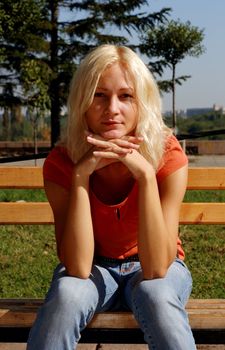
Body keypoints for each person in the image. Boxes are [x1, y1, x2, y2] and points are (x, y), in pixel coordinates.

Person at [27, 44, 196, 350]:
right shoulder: (62, 162)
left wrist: (145, 176)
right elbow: (78, 267)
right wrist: (81, 176)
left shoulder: (167, 154)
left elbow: (157, 268)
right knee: (68, 294)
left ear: (142, 101)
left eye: (126, 96)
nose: (112, 109)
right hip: (94, 267)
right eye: (99, 95)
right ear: (82, 103)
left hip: (155, 268)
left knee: (156, 294)